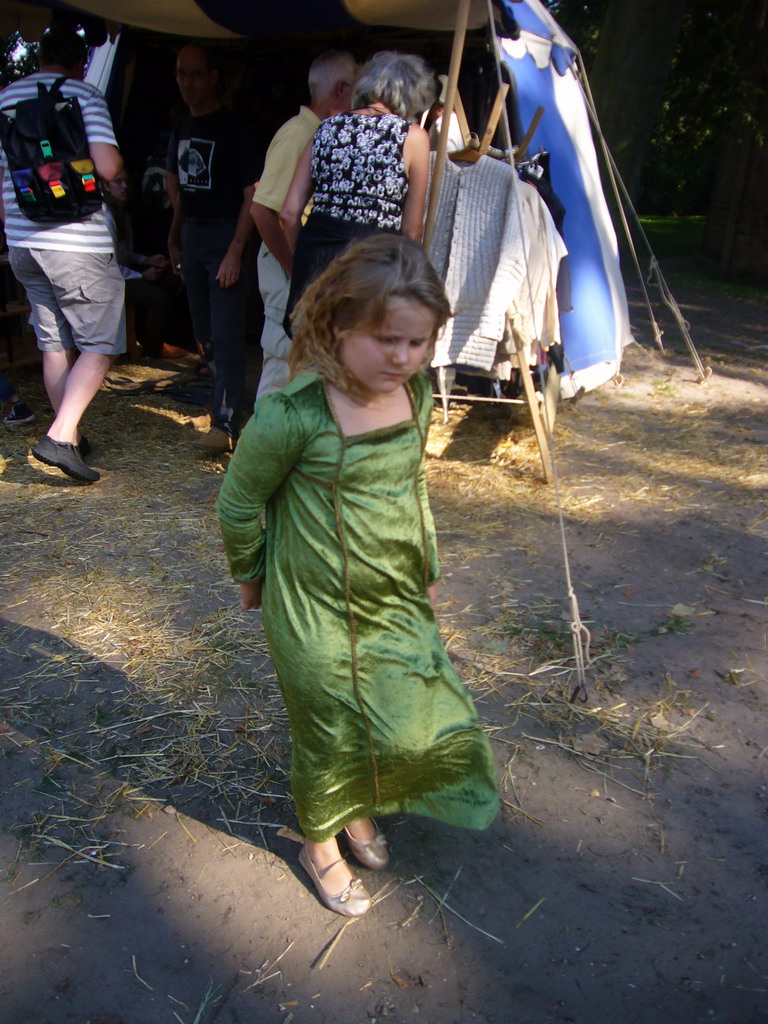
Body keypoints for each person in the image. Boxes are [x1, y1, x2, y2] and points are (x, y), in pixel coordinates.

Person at [217, 236, 498, 918]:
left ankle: (357, 805)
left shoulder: (418, 395)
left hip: (392, 596)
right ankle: (320, 844)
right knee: (331, 727)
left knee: (404, 715)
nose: (402, 358)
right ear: (339, 325)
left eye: (417, 342)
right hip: (312, 606)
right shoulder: (295, 414)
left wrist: (426, 567)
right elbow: (238, 502)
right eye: (385, 339)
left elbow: (412, 489)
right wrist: (250, 576)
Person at [0, 26, 124, 484]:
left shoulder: (6, 98)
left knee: (54, 343)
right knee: (99, 342)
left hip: (22, 241)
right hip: (76, 240)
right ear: (77, 62)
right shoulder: (82, 93)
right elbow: (108, 166)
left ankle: (68, 435)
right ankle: (60, 435)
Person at [279, 51, 435, 326]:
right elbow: (411, 231)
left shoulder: (325, 128)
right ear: (412, 96)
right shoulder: (412, 137)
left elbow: (289, 214)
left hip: (316, 260)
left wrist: (302, 262)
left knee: (314, 359)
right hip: (373, 266)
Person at [166, 43, 260, 454]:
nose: (187, 82)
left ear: (213, 76)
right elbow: (177, 189)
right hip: (193, 235)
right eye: (181, 74)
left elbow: (252, 195)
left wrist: (236, 250)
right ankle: (225, 406)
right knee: (204, 335)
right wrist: (173, 237)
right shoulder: (181, 126)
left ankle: (226, 426)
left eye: (194, 74)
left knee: (224, 334)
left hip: (224, 235)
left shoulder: (234, 127)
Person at [250, 50, 357, 399]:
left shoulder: (319, 134)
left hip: (297, 267)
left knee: (299, 368)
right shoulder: (299, 135)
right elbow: (264, 211)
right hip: (289, 269)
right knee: (282, 367)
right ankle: (262, 450)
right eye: (356, 88)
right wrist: (296, 269)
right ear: (342, 89)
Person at [101, 170, 188, 359]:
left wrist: (147, 260)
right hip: (108, 279)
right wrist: (142, 275)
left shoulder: (123, 215)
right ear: (107, 186)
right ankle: (153, 349)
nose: (124, 186)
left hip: (122, 272)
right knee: (158, 297)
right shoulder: (106, 218)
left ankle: (162, 337)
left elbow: (127, 254)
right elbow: (109, 265)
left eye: (126, 181)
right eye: (118, 182)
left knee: (172, 280)